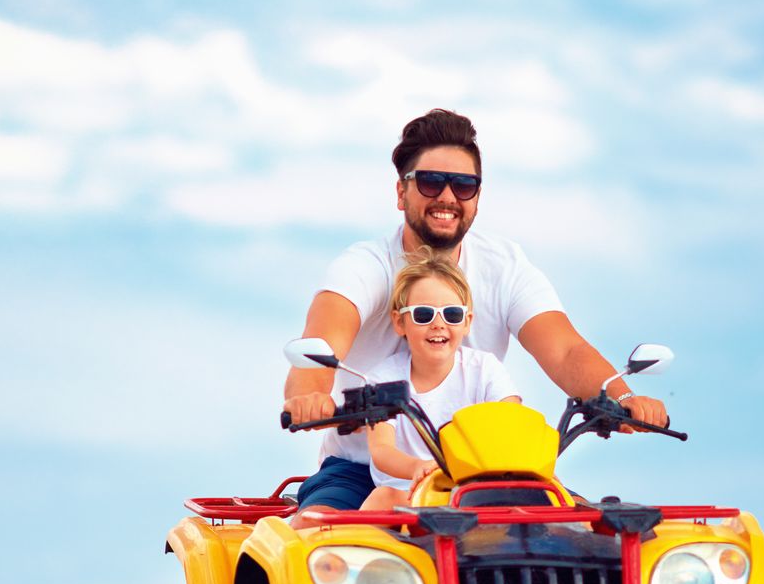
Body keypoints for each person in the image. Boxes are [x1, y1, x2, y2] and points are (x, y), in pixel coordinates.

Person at [284, 108, 669, 510]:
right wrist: (310, 396)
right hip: (365, 471)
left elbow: (565, 350)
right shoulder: (364, 266)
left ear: (477, 197)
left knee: (583, 531)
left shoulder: (503, 266)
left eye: (464, 186)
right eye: (431, 182)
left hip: (482, 471)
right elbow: (322, 341)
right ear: (401, 193)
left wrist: (621, 398)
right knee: (321, 536)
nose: (448, 197)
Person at [357, 249, 521, 512]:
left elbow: (514, 423)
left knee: (566, 505)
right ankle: (355, 551)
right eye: (423, 315)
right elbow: (382, 450)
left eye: (452, 314)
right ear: (400, 322)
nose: (438, 324)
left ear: (467, 322)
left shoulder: (485, 369)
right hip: (409, 492)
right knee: (382, 499)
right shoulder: (383, 379)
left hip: (474, 491)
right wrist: (417, 468)